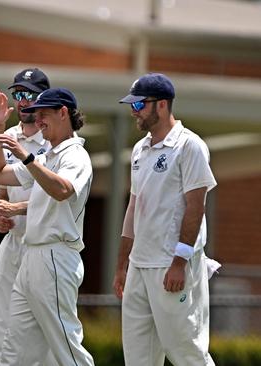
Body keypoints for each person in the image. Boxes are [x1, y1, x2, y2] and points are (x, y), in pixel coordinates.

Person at [112, 73, 217, 366]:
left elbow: (196, 206)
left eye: (139, 106)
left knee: (187, 353)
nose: (134, 112)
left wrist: (180, 261)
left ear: (162, 105)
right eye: (132, 106)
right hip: (139, 267)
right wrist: (122, 265)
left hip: (172, 266)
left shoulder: (190, 146)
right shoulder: (139, 149)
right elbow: (133, 209)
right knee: (138, 357)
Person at [0, 87, 94, 366]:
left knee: (66, 349)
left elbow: (62, 191)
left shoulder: (75, 156)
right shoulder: (48, 157)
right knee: (14, 352)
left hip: (56, 257)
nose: (39, 120)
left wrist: (27, 158)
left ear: (63, 113)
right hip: (31, 256)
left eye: (44, 114)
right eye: (36, 115)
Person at [0, 68, 53, 366]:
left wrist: (17, 209)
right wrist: (1, 211)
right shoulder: (9, 136)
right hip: (13, 241)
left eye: (29, 94)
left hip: (42, 244)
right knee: (0, 319)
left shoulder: (53, 141)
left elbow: (55, 195)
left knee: (44, 325)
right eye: (18, 95)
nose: (23, 101)